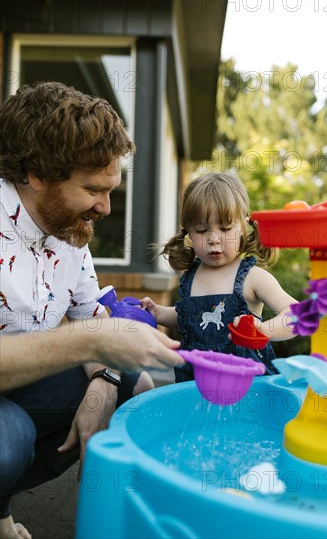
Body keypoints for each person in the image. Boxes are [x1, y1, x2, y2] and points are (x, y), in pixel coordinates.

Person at [0, 81, 184, 539]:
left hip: (17, 388)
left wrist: (104, 380)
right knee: (9, 440)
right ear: (36, 173)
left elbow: (92, 317)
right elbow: (90, 334)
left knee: (126, 387)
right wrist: (94, 340)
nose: (105, 207)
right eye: (92, 189)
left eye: (112, 190)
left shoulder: (68, 233)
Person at [142, 172, 298, 382]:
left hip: (247, 387)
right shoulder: (191, 276)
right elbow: (187, 317)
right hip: (194, 384)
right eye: (202, 230)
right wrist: (157, 312)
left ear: (243, 227)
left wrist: (264, 329)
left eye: (225, 229)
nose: (214, 239)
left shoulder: (253, 277)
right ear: (189, 231)